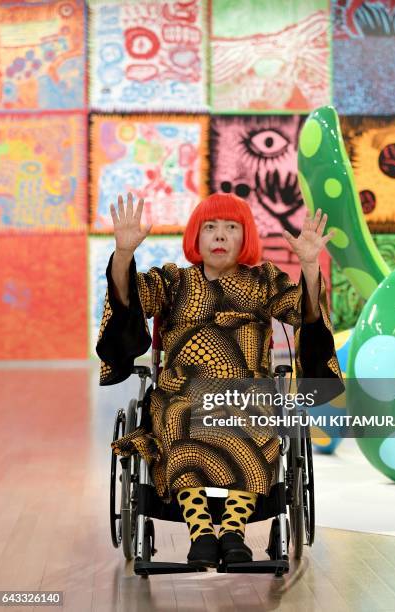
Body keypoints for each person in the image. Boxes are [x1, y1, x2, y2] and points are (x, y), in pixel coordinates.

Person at [96, 191, 344, 568]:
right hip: (182, 390)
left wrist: (309, 267)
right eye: (210, 227)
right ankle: (201, 532)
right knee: (174, 414)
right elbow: (127, 298)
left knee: (259, 412)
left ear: (246, 238)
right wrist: (124, 255)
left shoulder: (264, 281)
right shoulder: (174, 281)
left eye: (231, 227)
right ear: (196, 236)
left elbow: (306, 314)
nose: (220, 236)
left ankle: (232, 530)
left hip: (248, 390)